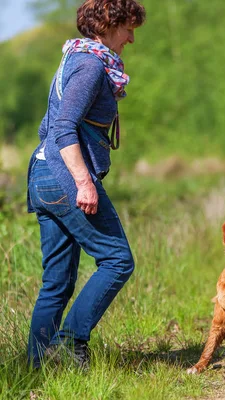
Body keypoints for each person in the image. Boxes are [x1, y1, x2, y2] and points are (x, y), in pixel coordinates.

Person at [26, 0, 146, 369]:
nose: (130, 38)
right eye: (128, 28)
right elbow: (62, 129)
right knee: (118, 260)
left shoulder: (72, 58)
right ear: (109, 24)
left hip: (43, 175)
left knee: (57, 282)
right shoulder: (92, 66)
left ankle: (35, 367)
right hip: (64, 178)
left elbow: (48, 127)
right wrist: (83, 182)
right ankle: (68, 341)